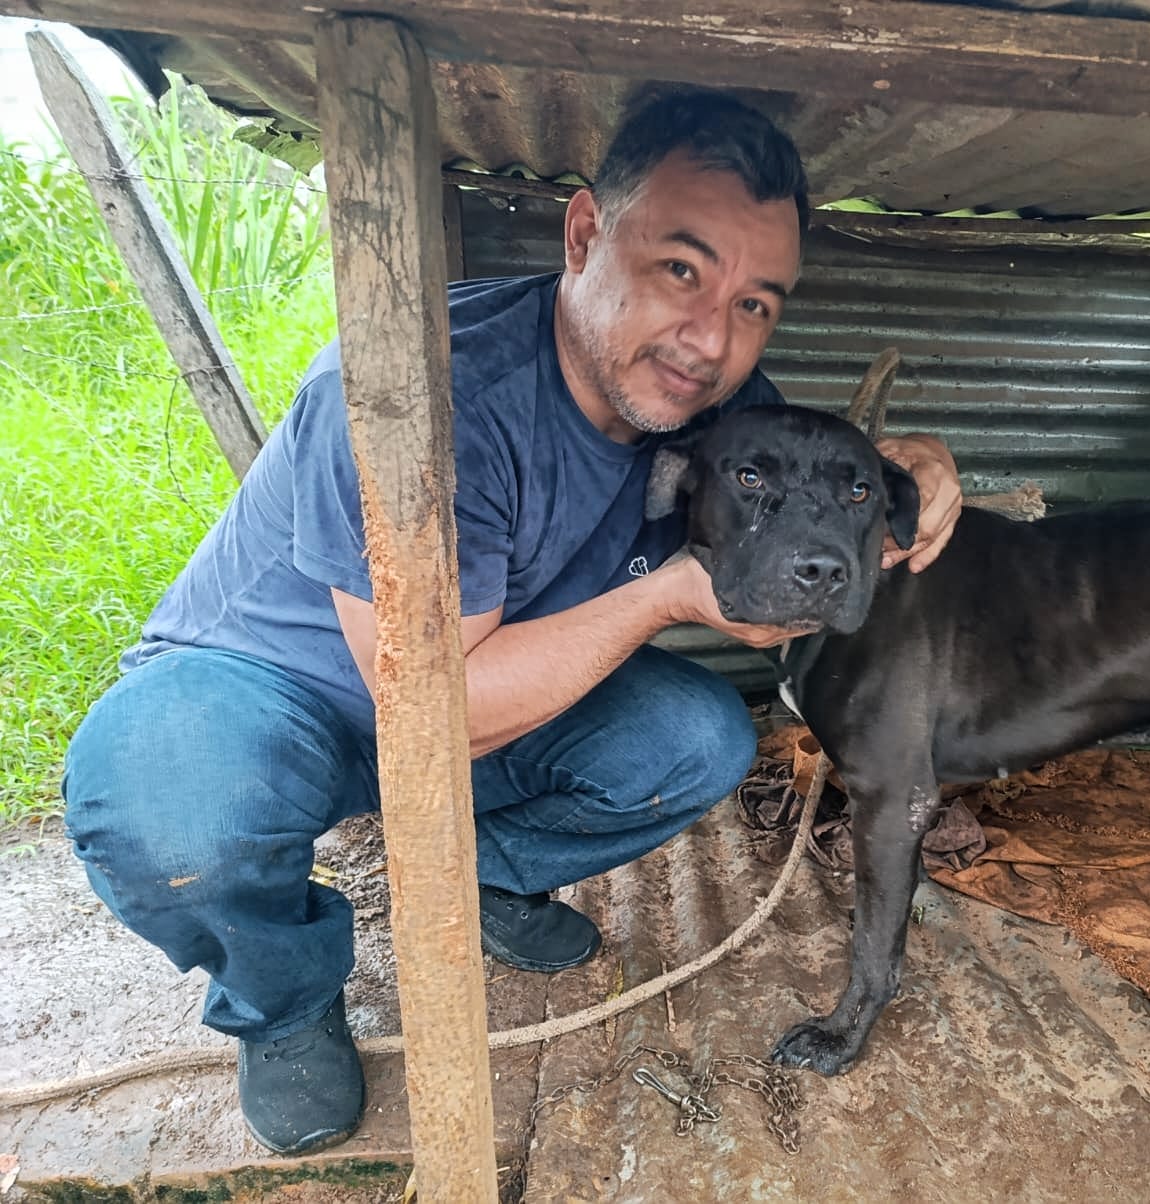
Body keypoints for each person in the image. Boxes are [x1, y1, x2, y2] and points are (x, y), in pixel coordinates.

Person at [60, 89, 962, 1156]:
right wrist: (672, 593)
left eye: (757, 302)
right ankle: (283, 1000)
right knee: (173, 819)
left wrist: (911, 465)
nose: (710, 338)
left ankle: (481, 869)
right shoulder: (419, 393)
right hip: (273, 687)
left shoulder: (718, 399)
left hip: (492, 677)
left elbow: (808, 472)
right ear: (584, 234)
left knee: (698, 743)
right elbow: (434, 708)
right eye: (680, 270)